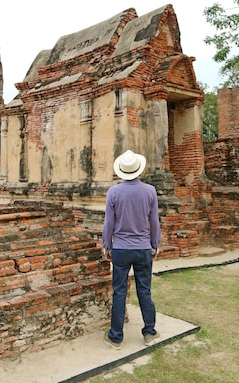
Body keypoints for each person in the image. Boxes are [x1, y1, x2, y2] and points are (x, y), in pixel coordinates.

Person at [102, 150, 161, 350]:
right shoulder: (150, 191)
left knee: (119, 292)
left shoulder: (114, 192)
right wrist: (155, 244)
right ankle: (149, 332)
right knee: (144, 290)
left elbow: (108, 223)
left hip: (120, 248)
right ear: (138, 169)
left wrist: (106, 245)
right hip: (143, 247)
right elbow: (154, 221)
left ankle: (116, 336)